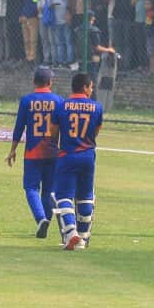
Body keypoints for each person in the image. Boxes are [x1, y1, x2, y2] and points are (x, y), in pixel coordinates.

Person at [6, 66, 62, 238]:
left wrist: (13, 149)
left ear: (34, 82)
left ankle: (40, 219)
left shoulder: (27, 101)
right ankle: (45, 221)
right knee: (49, 190)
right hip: (53, 151)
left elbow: (19, 127)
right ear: (50, 82)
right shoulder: (59, 101)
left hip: (33, 152)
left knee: (31, 188)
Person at [51, 72, 103, 251]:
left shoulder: (61, 106)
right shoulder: (97, 107)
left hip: (67, 154)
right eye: (91, 87)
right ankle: (82, 238)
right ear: (85, 87)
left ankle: (71, 230)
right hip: (88, 155)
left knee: (64, 195)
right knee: (86, 196)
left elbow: (53, 133)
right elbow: (96, 131)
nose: (92, 90)